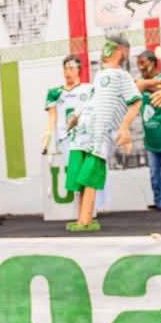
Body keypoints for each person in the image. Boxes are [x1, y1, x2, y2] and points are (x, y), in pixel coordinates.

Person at [64, 36, 141, 232]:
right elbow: (90, 98)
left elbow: (135, 102)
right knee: (79, 175)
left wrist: (124, 128)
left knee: (90, 175)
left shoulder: (123, 77)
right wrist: (76, 116)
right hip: (83, 132)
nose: (103, 53)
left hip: (100, 134)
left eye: (109, 49)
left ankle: (85, 220)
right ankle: (81, 216)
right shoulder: (99, 76)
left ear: (119, 53)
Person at [135, 49, 161, 211]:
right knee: (154, 174)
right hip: (150, 136)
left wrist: (145, 85)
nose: (140, 67)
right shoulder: (141, 82)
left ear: (153, 63)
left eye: (143, 63)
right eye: (138, 64)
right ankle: (159, 200)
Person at [42, 55, 93, 156]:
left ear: (79, 69)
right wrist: (46, 141)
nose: (67, 72)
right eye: (65, 69)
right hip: (65, 140)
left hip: (86, 137)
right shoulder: (55, 92)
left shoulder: (89, 89)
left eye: (71, 68)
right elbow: (51, 119)